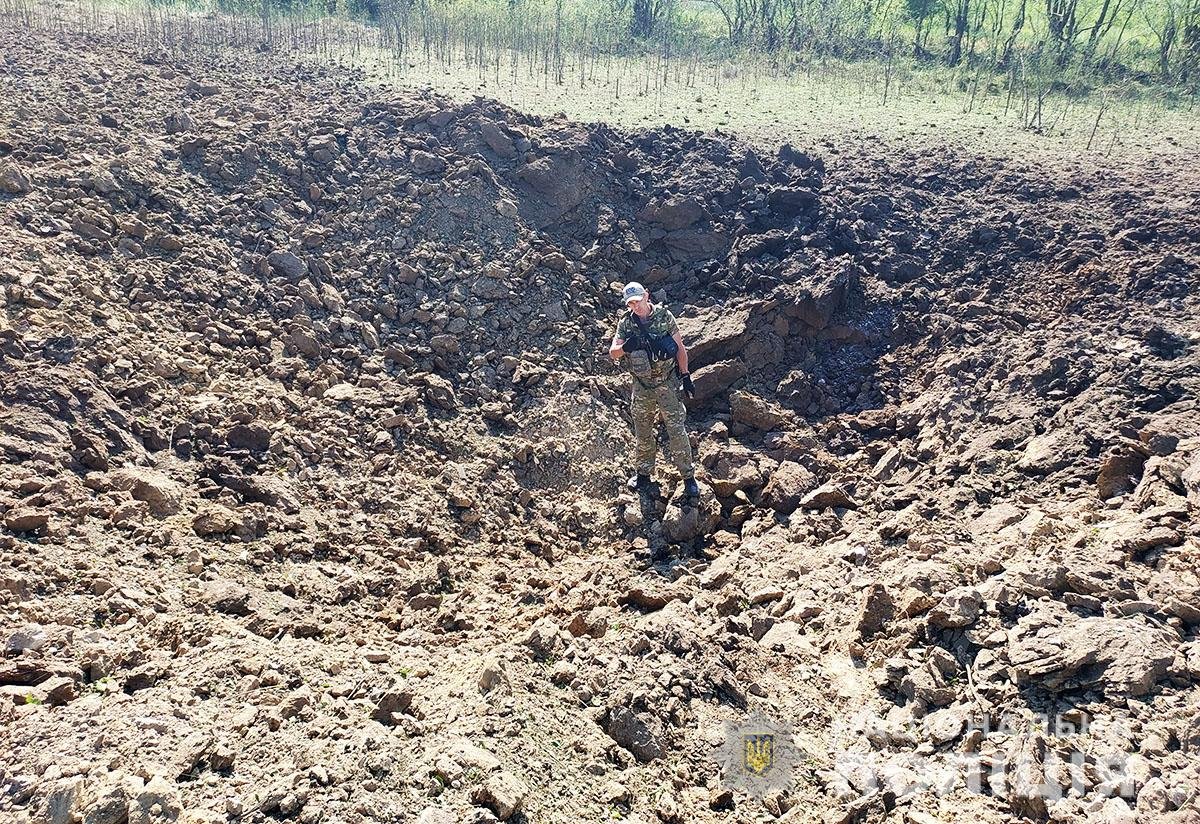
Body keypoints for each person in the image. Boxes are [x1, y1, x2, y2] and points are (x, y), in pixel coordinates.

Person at [608, 281, 699, 497]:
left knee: (676, 430)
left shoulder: (664, 317)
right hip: (642, 386)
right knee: (643, 432)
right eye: (631, 303)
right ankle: (643, 475)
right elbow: (613, 352)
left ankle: (688, 478)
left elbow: (680, 349)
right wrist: (625, 347)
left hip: (667, 383)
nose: (636, 306)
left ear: (646, 296)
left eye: (638, 301)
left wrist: (686, 376)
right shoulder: (626, 323)